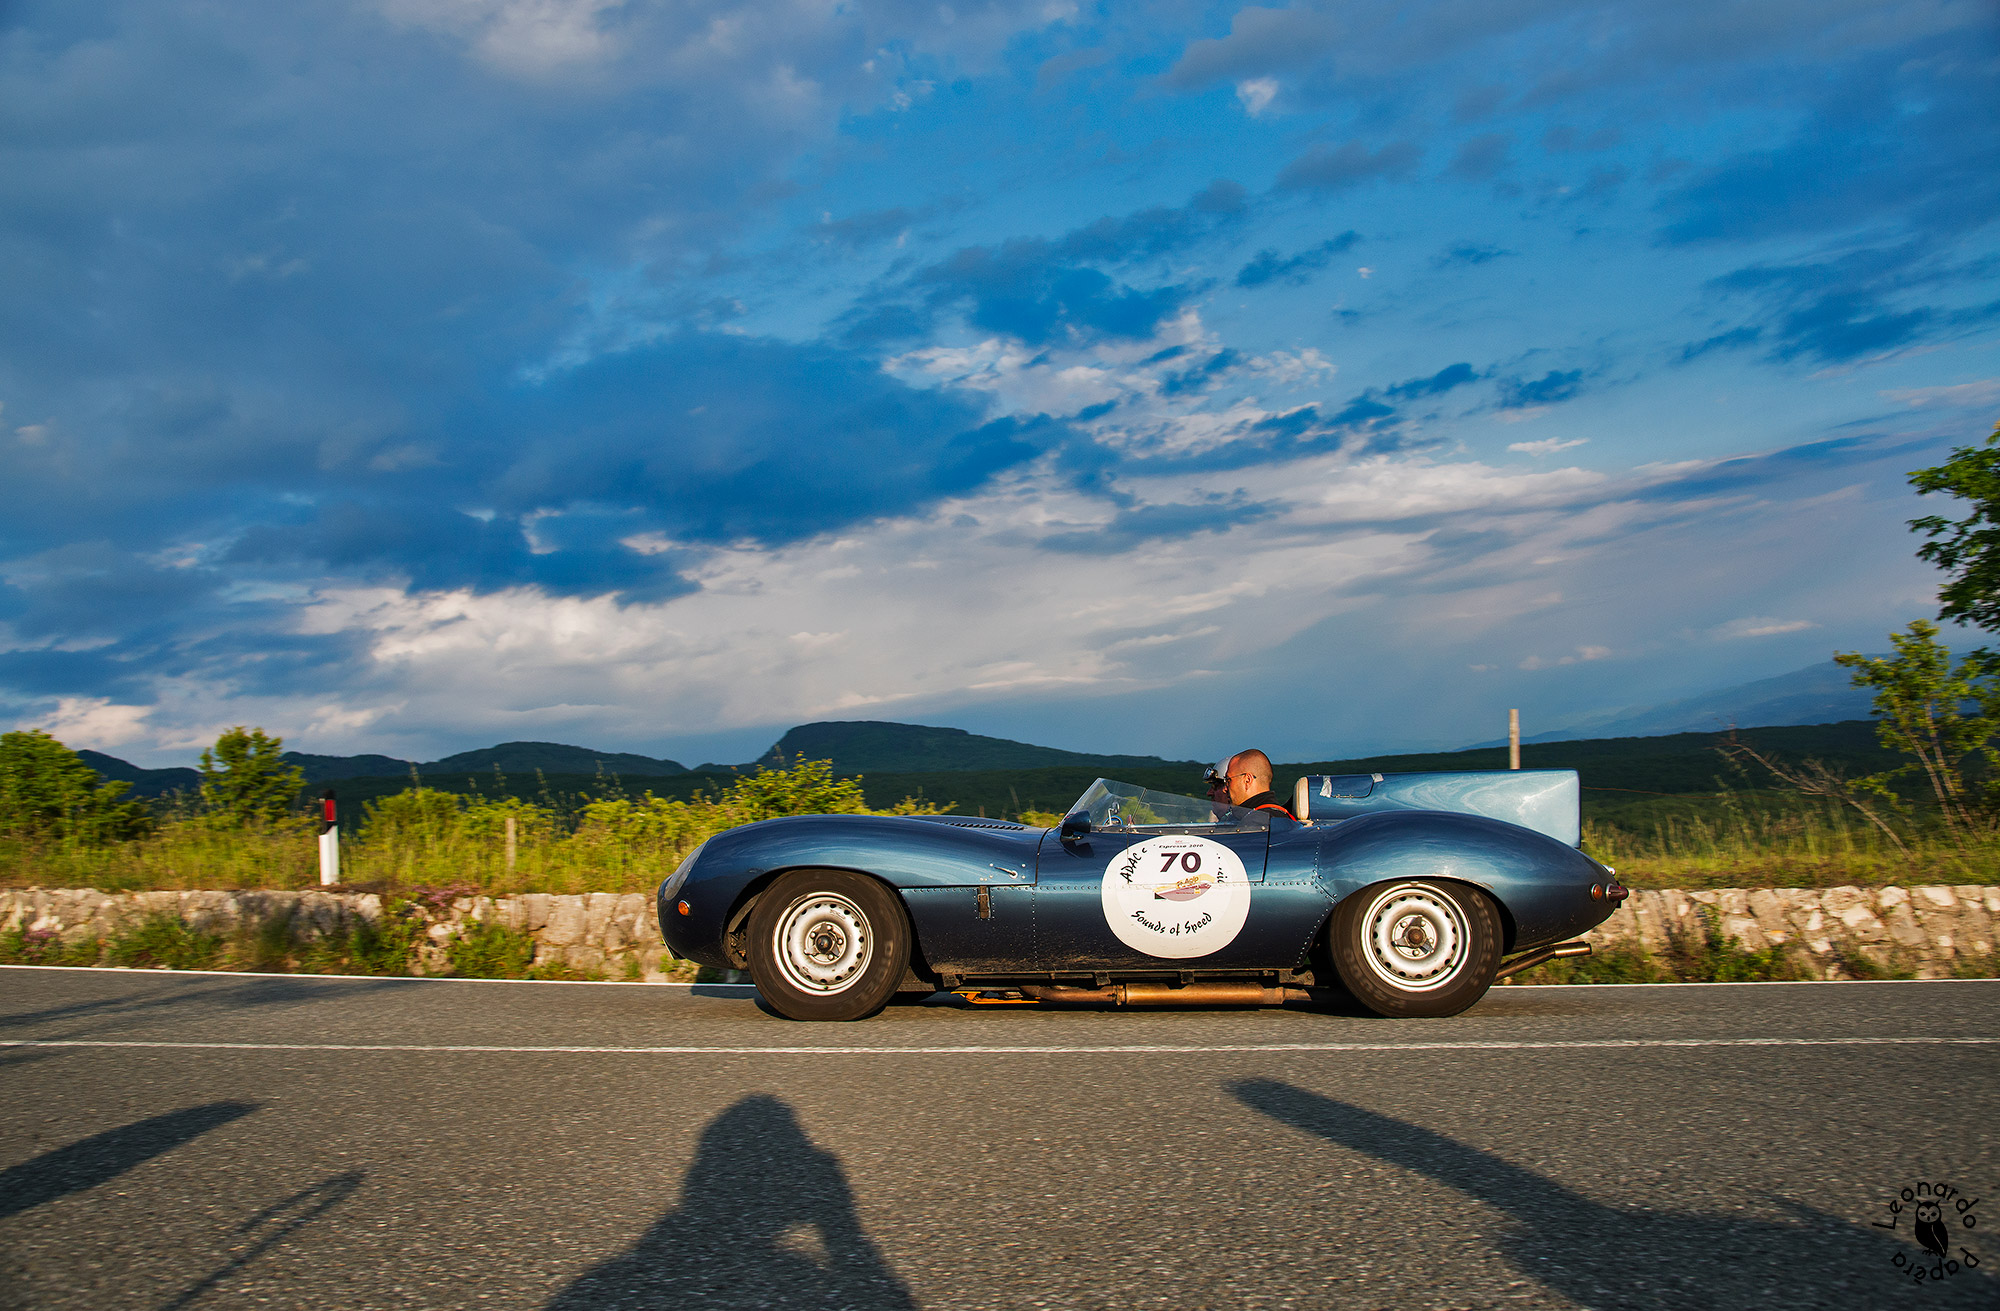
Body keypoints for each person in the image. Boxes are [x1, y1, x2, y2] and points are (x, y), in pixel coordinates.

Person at [1204, 748, 1295, 820]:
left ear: (1247, 780)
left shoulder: (1258, 822)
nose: (1225, 788)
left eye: (1228, 781)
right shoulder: (1274, 817)